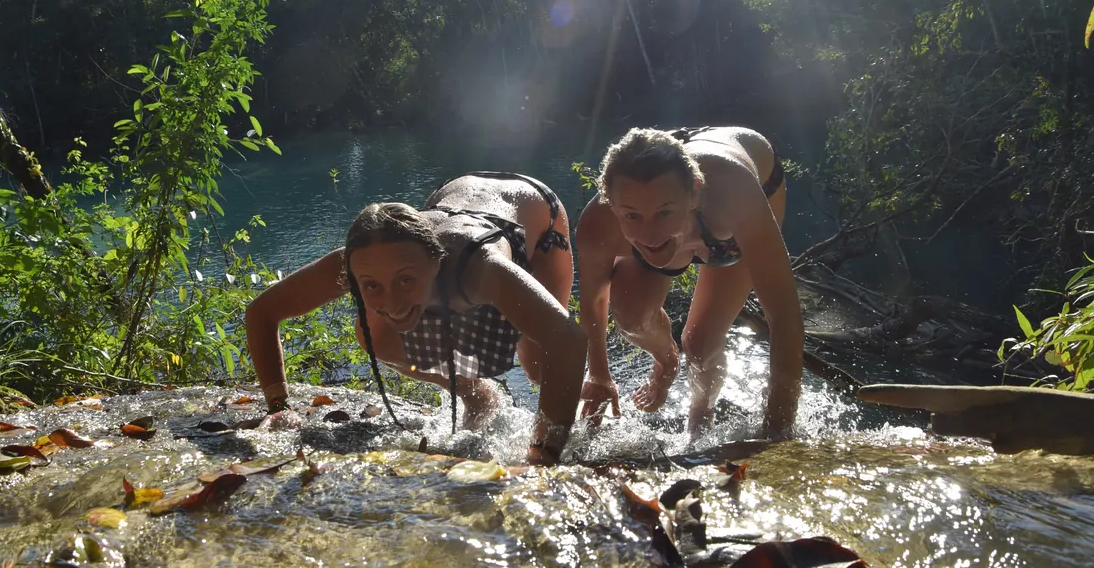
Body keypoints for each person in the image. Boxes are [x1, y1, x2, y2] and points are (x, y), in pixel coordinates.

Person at [245, 171, 587, 465]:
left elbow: (569, 339)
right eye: (372, 286)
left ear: (435, 263)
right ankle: (476, 393)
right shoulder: (358, 261)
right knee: (373, 335)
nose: (391, 301)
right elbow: (262, 312)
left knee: (539, 365)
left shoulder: (481, 269)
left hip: (536, 211)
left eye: (405, 280)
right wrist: (279, 407)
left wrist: (542, 452)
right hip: (456, 193)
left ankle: (592, 401)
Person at [574, 126, 803, 438]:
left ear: (694, 192)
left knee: (700, 344)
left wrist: (777, 431)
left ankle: (699, 423)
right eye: (631, 217)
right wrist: (599, 375)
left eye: (664, 213)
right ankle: (667, 362)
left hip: (747, 191)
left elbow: (784, 315)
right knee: (631, 319)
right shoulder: (598, 226)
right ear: (612, 205)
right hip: (676, 182)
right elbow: (593, 301)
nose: (650, 234)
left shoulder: (735, 196)